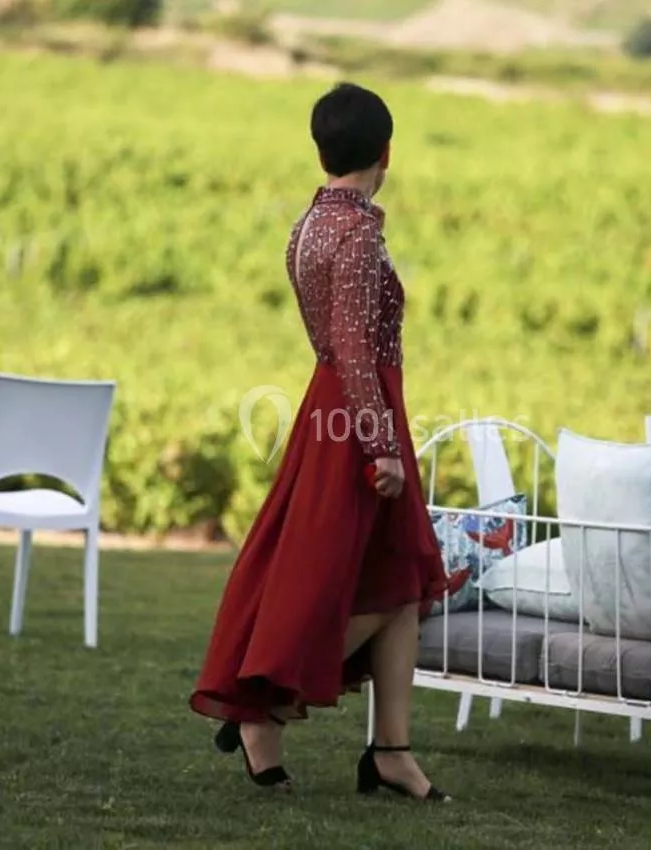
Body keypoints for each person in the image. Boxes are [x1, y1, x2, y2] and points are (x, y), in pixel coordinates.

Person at [189, 82, 453, 803]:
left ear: (322, 151)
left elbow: (336, 344)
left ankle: (392, 752)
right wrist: (381, 444)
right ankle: (261, 708)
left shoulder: (309, 223)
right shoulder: (358, 234)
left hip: (331, 408)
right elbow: (353, 346)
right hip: (358, 418)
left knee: (400, 583)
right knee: (372, 581)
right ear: (386, 152)